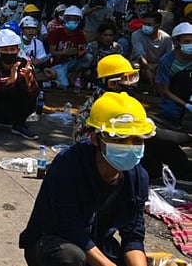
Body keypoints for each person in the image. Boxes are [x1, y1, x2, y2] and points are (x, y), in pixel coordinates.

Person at [20, 92, 154, 266]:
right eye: (119, 139)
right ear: (95, 138)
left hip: (98, 244)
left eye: (136, 140)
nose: (129, 147)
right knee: (70, 257)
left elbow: (133, 235)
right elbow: (69, 228)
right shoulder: (68, 165)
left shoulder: (138, 177)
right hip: (52, 242)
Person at [0, 30, 40, 139]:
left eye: (12, 49)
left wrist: (28, 77)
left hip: (16, 107)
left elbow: (34, 90)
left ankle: (19, 124)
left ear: (18, 50)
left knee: (30, 92)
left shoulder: (24, 64)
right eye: (5, 50)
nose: (9, 53)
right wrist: (8, 80)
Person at [156, 22, 192, 128]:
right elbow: (164, 90)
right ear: (176, 42)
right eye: (187, 42)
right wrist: (186, 105)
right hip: (174, 95)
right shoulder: (166, 61)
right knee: (170, 112)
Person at [48, 5, 88, 88]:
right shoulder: (56, 32)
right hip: (59, 63)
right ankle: (55, 79)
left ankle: (73, 77)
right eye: (69, 19)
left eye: (75, 19)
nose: (72, 21)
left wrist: (80, 51)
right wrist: (64, 53)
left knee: (88, 58)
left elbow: (83, 47)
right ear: (65, 19)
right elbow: (52, 51)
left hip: (72, 61)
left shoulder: (79, 33)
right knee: (64, 85)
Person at [131, 10, 172, 87]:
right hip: (141, 63)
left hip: (158, 65)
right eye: (144, 24)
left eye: (149, 24)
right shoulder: (136, 34)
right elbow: (140, 55)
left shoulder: (166, 38)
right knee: (135, 65)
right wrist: (147, 69)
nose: (146, 26)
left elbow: (169, 56)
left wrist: (156, 67)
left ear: (158, 25)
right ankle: (134, 86)